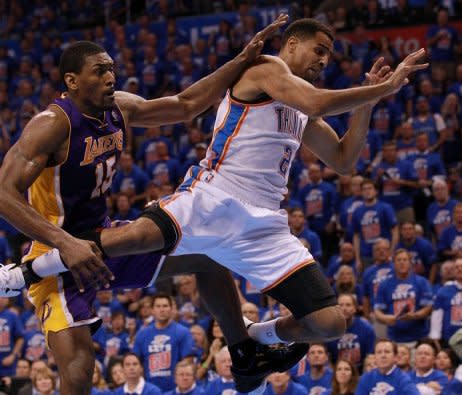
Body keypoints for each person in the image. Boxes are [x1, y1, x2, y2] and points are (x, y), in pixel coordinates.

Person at [1, 16, 426, 391]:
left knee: (325, 321)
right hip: (160, 213)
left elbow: (342, 160)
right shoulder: (269, 68)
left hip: (260, 222)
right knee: (79, 372)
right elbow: (3, 192)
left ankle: (247, 346)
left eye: (113, 68)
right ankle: (23, 272)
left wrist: (367, 99)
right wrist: (387, 88)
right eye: (319, 50)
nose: (324, 61)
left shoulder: (123, 108)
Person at [355, 339, 419, 395]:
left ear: (395, 357)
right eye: (379, 352)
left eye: (387, 352)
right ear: (375, 357)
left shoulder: (403, 379)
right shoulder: (366, 378)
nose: (383, 355)